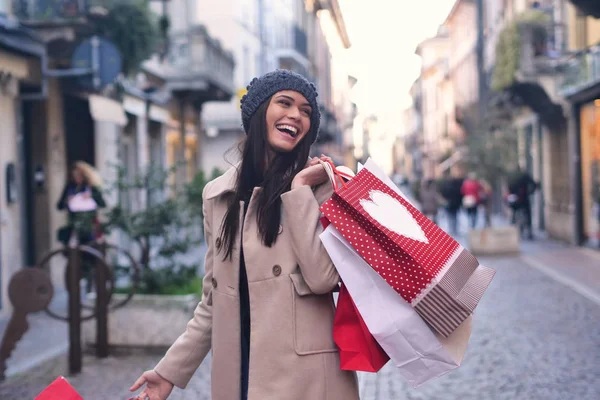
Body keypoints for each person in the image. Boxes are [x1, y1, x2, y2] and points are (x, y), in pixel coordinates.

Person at [129, 70, 359, 400]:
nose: (296, 115)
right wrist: (169, 372)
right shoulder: (218, 196)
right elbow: (214, 300)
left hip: (305, 380)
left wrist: (298, 192)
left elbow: (323, 279)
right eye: (285, 103)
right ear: (258, 112)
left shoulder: (323, 188)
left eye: (306, 111)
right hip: (241, 375)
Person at [57, 161, 106, 292]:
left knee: (92, 255)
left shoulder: (91, 188)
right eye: (74, 175)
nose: (76, 178)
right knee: (74, 255)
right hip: (74, 226)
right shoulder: (70, 187)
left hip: (89, 226)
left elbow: (102, 203)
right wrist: (67, 200)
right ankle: (77, 284)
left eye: (79, 175)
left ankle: (92, 285)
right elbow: (59, 205)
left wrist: (91, 197)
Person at [507, 170, 538, 240]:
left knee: (514, 214)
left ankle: (514, 227)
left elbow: (508, 187)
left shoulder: (511, 176)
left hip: (515, 199)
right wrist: (531, 191)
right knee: (528, 213)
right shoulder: (524, 175)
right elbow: (533, 184)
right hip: (523, 199)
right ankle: (529, 231)